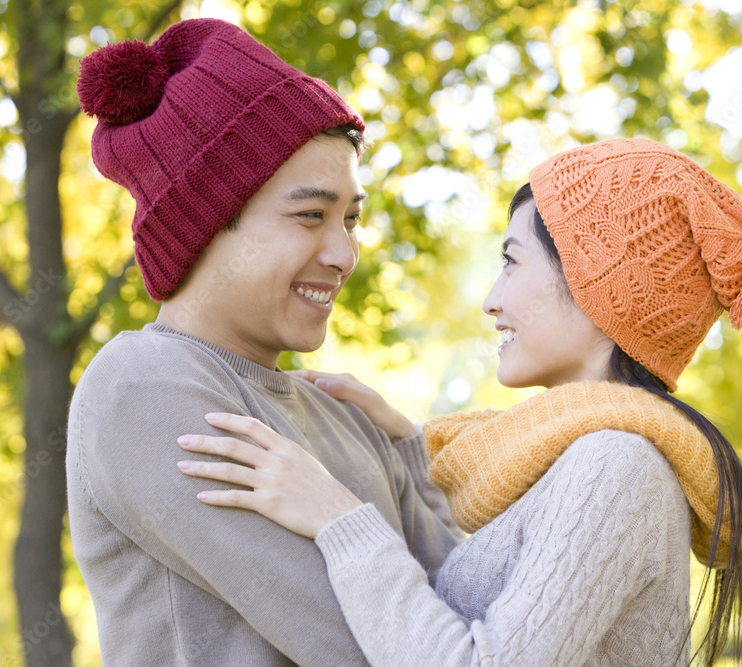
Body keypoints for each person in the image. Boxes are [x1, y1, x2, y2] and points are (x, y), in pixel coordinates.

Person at [176, 138, 742, 665]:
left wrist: (339, 519)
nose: (491, 299)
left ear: (602, 289)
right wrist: (412, 455)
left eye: (511, 260)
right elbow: (464, 597)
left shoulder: (616, 466)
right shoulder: (584, 457)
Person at [66, 18, 463, 666]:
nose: (343, 252)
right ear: (203, 223)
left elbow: (482, 624)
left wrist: (417, 457)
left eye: (352, 218)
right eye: (311, 214)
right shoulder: (142, 384)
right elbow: (373, 648)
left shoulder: (349, 416)